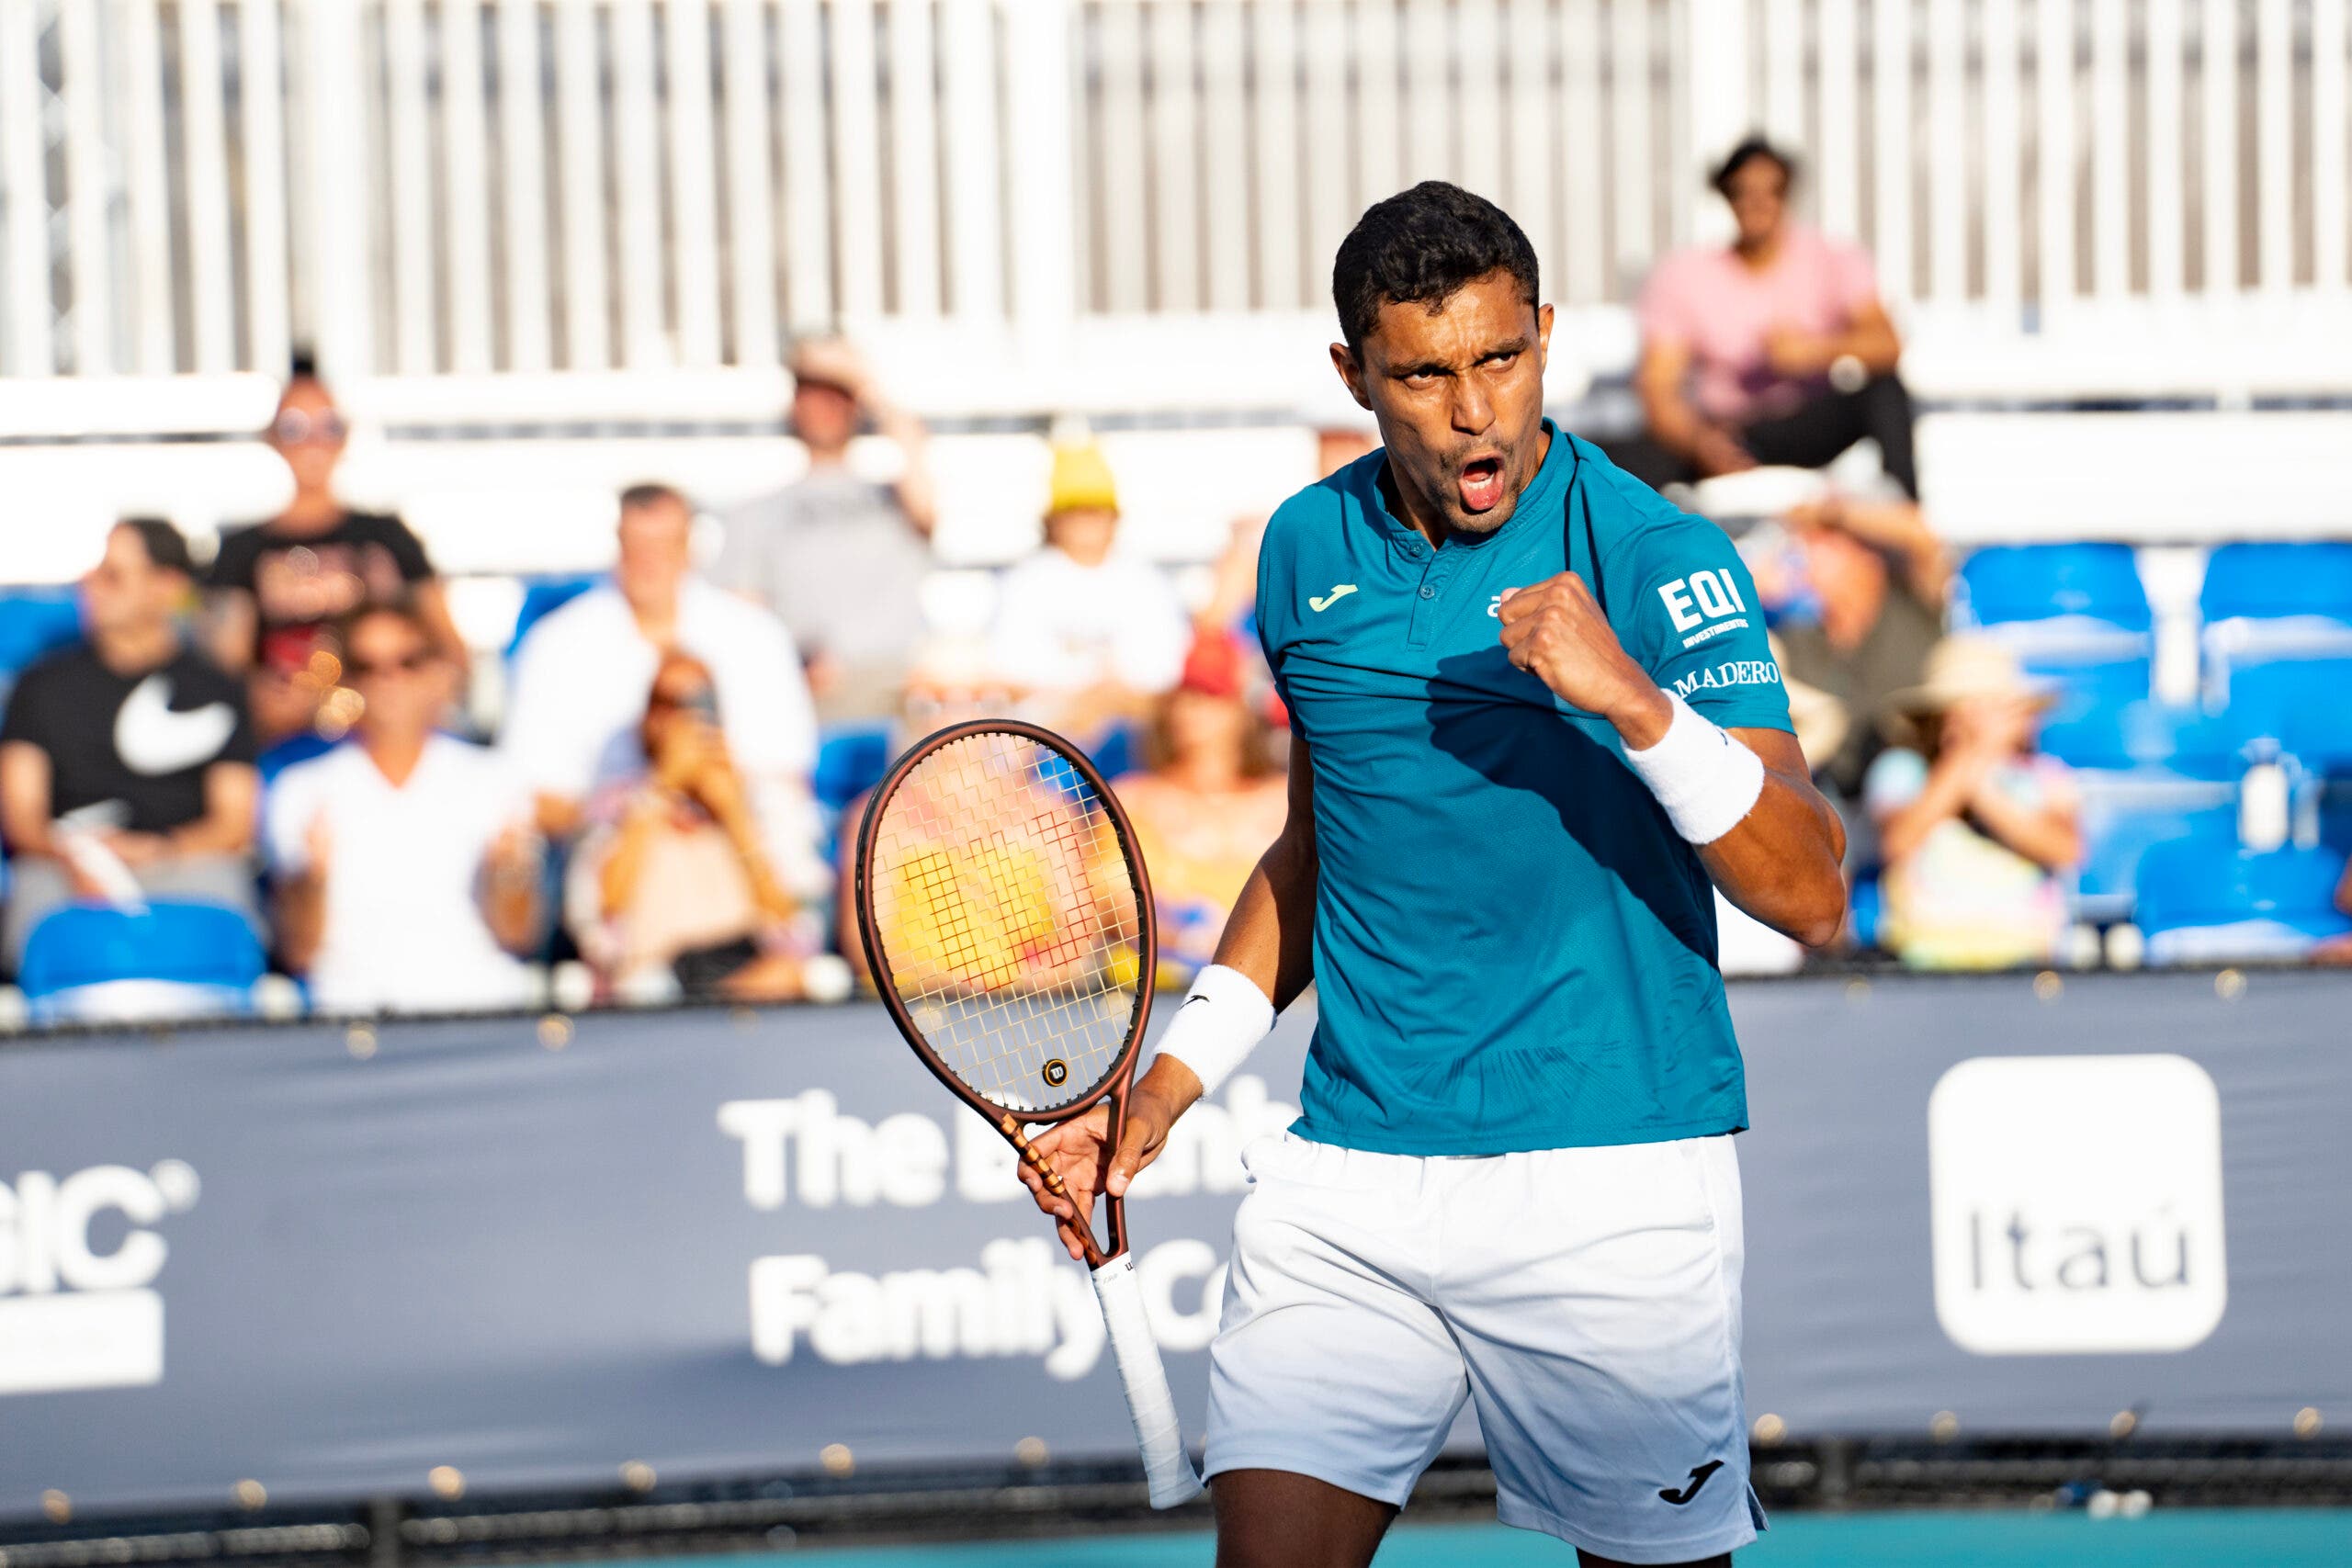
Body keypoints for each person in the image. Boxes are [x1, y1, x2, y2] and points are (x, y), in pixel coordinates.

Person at [1016, 183, 1847, 1568]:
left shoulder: (1654, 554)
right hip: (1353, 1174)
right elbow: (1313, 850)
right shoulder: (1301, 547)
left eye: (1502, 358)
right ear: (1354, 374)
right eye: (1425, 373)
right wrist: (1163, 1089)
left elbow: (1814, 891)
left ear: (1546, 338)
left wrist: (1635, 703)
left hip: (1612, 1167)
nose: (1476, 411)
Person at [501, 483, 825, 897]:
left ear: (689, 545)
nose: (649, 562)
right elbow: (533, 792)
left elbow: (786, 774)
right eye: (637, 546)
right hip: (620, 862)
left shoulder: (756, 635)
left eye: (663, 544)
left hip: (743, 845)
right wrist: (651, 796)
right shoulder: (555, 644)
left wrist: (707, 789)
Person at [1, 521, 260, 966]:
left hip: (184, 866)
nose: (92, 586)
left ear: (166, 586)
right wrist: (82, 856)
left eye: (113, 575)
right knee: (33, 900)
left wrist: (160, 850)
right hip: (64, 868)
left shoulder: (216, 687)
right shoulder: (40, 683)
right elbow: (22, 817)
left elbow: (234, 823)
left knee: (226, 895)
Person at [265, 604, 544, 1014]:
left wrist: (507, 875)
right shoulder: (300, 788)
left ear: (438, 672)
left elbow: (518, 935)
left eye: (407, 662)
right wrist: (312, 880)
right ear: (348, 680)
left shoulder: (496, 779)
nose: (387, 680)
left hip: (481, 1005)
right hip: (351, 1013)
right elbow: (300, 950)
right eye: (367, 665)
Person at [1615, 137, 1917, 501]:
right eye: (1743, 191)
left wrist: (1816, 351)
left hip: (1807, 426)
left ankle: (1908, 521)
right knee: (1609, 462)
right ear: (1726, 197)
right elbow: (1658, 388)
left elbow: (1887, 345)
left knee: (1883, 390)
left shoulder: (1831, 257)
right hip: (1727, 433)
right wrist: (1699, 442)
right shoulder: (1684, 274)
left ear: (1787, 193)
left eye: (1771, 190)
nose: (1757, 203)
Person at [208, 356, 465, 746]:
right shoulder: (242, 550)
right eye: (294, 428)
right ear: (272, 438)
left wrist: (385, 698)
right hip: (286, 748)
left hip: (383, 742)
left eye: (328, 426)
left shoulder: (387, 536)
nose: (313, 442)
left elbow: (449, 653)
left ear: (345, 436)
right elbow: (225, 674)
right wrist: (270, 704)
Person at [564, 651, 814, 1003]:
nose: (687, 718)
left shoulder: (755, 797)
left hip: (744, 970)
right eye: (670, 703)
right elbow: (602, 913)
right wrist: (662, 788)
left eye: (701, 701)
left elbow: (792, 921)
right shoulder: (614, 806)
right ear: (648, 717)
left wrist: (734, 815)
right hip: (655, 983)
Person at [717, 338, 937, 720]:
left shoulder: (897, 498)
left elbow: (915, 452)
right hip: (809, 697)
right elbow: (742, 618)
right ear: (794, 404)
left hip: (900, 688)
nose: (825, 407)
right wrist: (792, 665)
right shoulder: (754, 513)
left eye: (838, 395)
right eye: (812, 393)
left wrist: (864, 383)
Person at [1864, 636, 2082, 970]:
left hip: (2026, 960)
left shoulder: (2046, 777)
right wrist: (1964, 761)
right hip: (1922, 959)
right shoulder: (1903, 771)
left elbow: (2064, 849)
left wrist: (1980, 785)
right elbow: (1897, 841)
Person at [1112, 632, 1288, 985]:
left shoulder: (1285, 799)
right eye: (1184, 695)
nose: (1191, 709)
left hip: (1279, 991)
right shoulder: (1133, 799)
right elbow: (1115, 902)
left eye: (1210, 695)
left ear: (1243, 708)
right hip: (1167, 990)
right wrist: (1189, 940)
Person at [1752, 493, 1950, 798]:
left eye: (1824, 543)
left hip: (1915, 784)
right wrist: (1747, 590)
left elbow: (1920, 537)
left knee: (1897, 773)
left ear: (1868, 556)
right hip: (1830, 796)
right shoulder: (1798, 638)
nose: (1806, 556)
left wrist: (1827, 512)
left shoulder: (1912, 605)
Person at [986, 440, 1190, 734]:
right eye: (1075, 510)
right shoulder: (1025, 583)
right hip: (1048, 742)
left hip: (1132, 738)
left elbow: (1166, 680)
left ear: (1114, 517)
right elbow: (1009, 678)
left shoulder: (1148, 583)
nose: (1085, 521)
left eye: (1094, 510)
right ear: (1053, 520)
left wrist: (1101, 701)